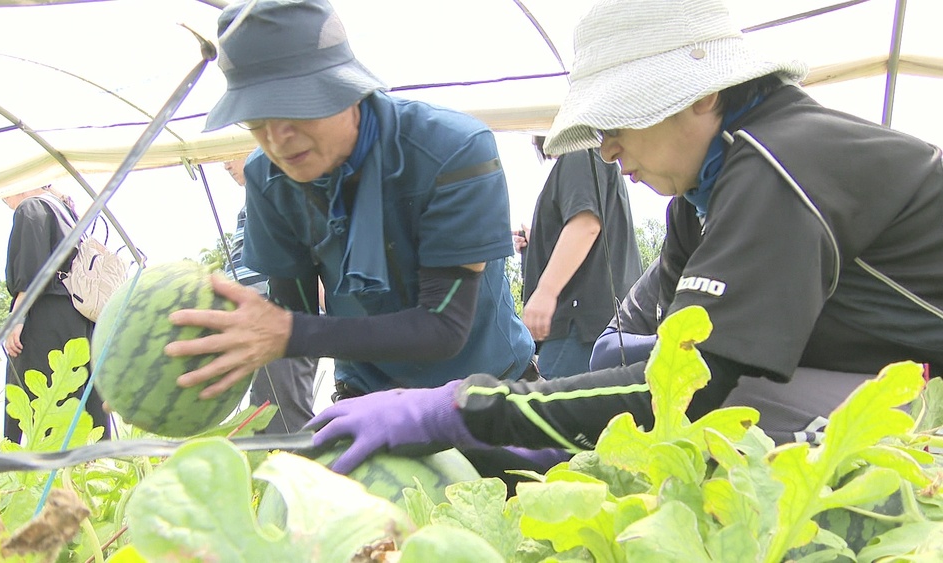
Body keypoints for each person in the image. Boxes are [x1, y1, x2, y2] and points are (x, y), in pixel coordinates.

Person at [302, 0, 943, 475]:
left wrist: (457, 410)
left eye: (620, 120)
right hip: (881, 374)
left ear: (703, 94)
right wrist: (551, 428)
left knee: (729, 425)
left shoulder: (779, 164)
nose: (606, 149)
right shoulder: (706, 192)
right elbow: (660, 356)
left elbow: (686, 387)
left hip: (926, 395)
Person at [167, 1, 534, 415]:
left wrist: (288, 331)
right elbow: (291, 313)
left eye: (291, 107)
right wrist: (168, 363)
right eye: (255, 119)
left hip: (486, 392)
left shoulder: (452, 150)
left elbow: (443, 328)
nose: (276, 139)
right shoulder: (268, 178)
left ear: (344, 88)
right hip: (368, 402)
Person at [519, 136, 643, 378]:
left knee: (557, 412)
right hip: (596, 328)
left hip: (580, 329)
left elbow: (585, 225)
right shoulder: (591, 157)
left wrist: (545, 292)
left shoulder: (580, 153)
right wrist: (540, 241)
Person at [2, 185, 110, 444]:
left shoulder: (31, 207)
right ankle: (96, 466)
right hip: (80, 314)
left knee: (41, 399)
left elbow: (30, 273)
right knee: (84, 396)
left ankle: (32, 471)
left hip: (46, 315)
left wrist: (16, 320)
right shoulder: (65, 210)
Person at [223, 157, 320, 434]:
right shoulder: (255, 201)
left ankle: (300, 472)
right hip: (258, 321)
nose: (225, 164)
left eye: (230, 155)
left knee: (284, 418)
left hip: (278, 320)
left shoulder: (280, 192)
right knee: (263, 415)